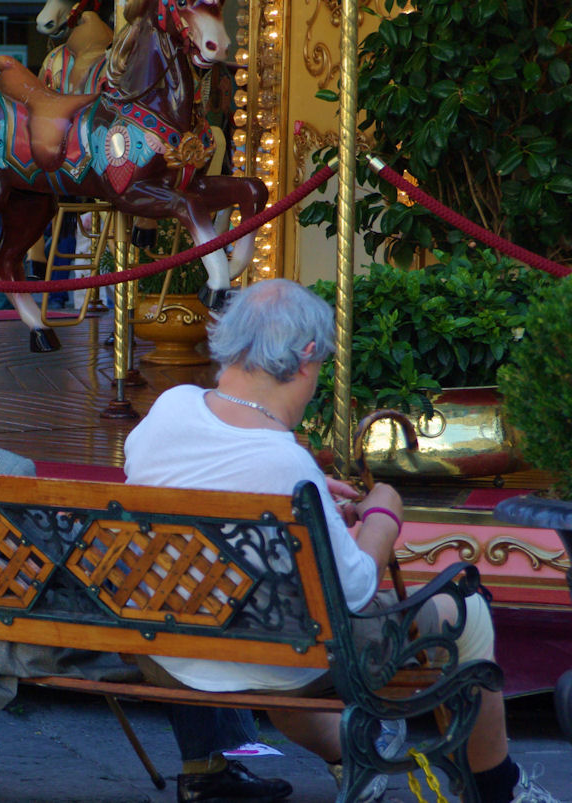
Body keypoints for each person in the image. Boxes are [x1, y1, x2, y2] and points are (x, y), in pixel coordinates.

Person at [124, 278, 560, 803]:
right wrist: (383, 514)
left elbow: (215, 478)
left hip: (168, 650)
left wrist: (308, 502)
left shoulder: (169, 408)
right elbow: (354, 590)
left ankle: (357, 754)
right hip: (277, 657)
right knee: (467, 610)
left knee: (288, 621)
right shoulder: (284, 463)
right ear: (307, 356)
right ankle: (498, 788)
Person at [0, 317, 292, 800]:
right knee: (172, 598)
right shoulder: (0, 472)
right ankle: (213, 767)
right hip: (8, 637)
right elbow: (60, 583)